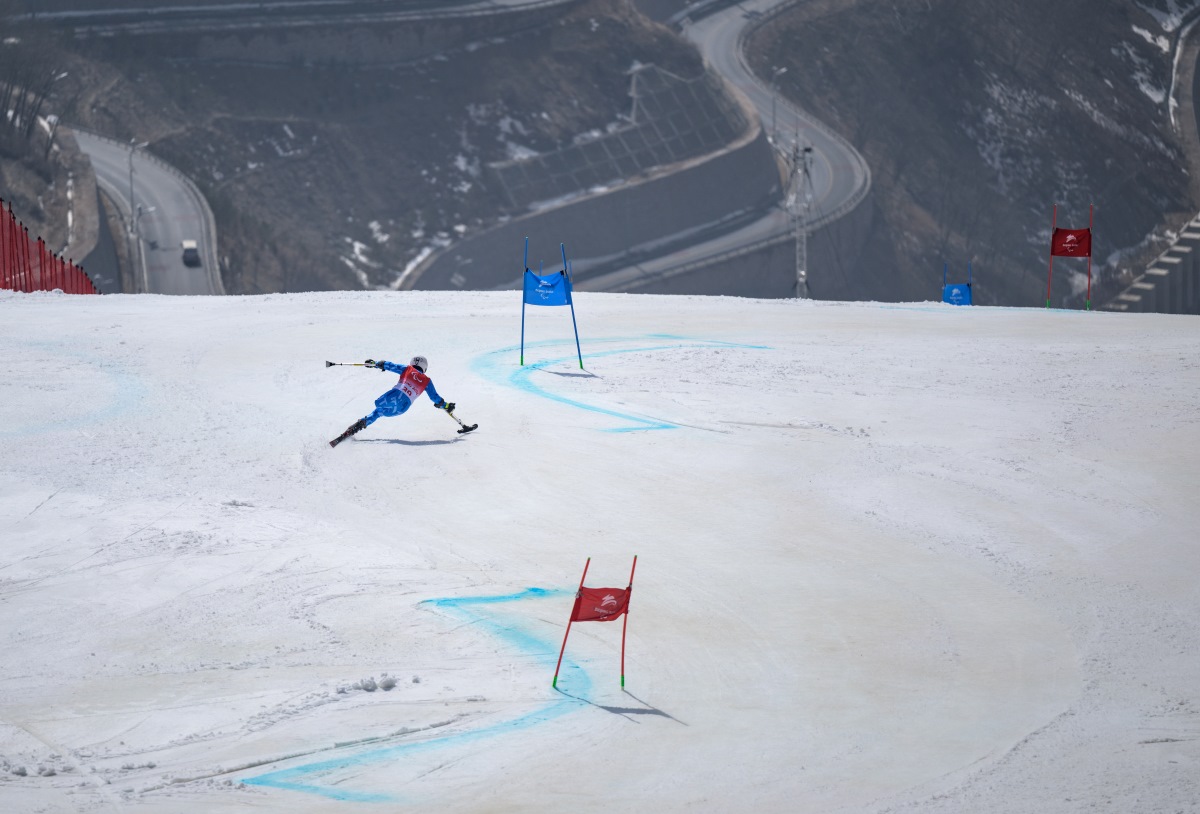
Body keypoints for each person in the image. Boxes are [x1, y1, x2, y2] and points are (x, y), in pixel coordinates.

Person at [329, 355, 455, 447]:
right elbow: (435, 398)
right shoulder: (427, 381)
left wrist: (375, 363)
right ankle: (358, 426)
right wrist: (446, 405)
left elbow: (389, 365)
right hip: (403, 408)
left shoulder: (408, 369)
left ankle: (355, 427)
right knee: (379, 412)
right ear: (425, 368)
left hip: (393, 397)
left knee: (377, 409)